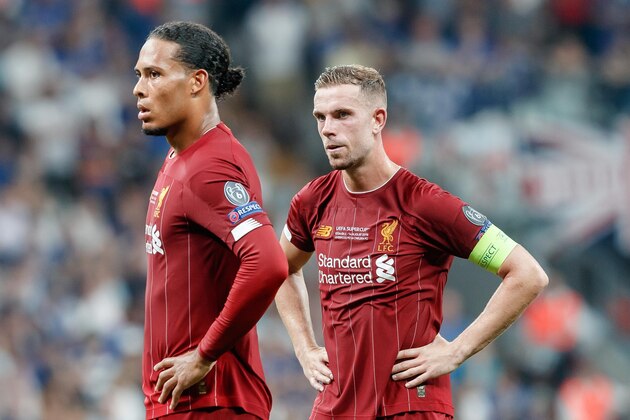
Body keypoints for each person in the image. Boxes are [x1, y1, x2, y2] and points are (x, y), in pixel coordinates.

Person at [274, 64, 549, 419]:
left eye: (342, 115)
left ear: (378, 119)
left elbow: (527, 274)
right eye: (321, 117)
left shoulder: (426, 204)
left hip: (409, 406)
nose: (328, 129)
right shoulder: (312, 200)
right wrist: (304, 348)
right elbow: (281, 269)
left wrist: (457, 350)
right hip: (334, 406)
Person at [133, 21, 288, 420]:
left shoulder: (212, 166)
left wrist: (204, 355)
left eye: (154, 74)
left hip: (212, 401)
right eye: (139, 76)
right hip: (185, 402)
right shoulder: (181, 159)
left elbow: (268, 263)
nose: (139, 88)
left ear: (197, 82)